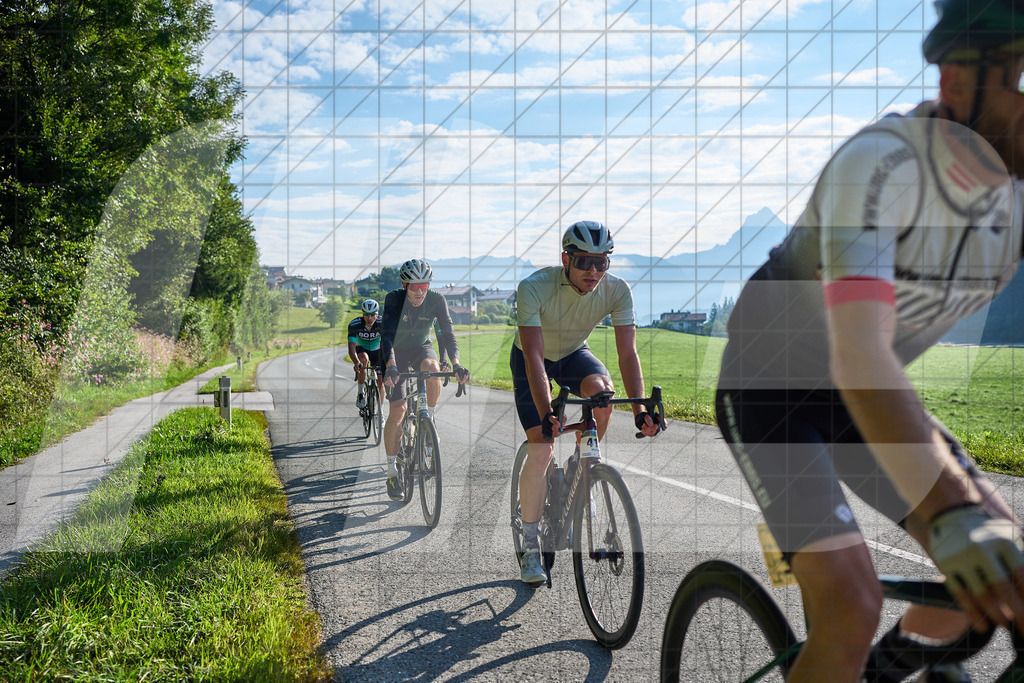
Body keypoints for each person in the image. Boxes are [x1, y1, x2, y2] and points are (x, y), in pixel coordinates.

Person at [714, 1, 1024, 679]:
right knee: (852, 604)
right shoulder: (881, 167)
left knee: (996, 580)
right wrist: (947, 510)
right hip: (774, 390)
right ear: (955, 81)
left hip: (864, 400)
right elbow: (859, 351)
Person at [512, 220, 661, 586]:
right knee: (541, 448)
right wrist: (548, 413)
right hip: (533, 361)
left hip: (575, 353)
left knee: (602, 392)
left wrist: (641, 411)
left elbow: (628, 355)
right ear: (565, 258)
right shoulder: (534, 288)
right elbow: (534, 357)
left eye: (602, 262)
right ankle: (530, 543)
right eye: (583, 262)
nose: (593, 271)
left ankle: (581, 468)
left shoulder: (617, 290)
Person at [381, 258, 469, 501]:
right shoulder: (394, 300)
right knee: (398, 410)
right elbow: (386, 337)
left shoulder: (436, 300)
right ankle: (391, 472)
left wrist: (456, 363)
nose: (420, 292)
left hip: (421, 347)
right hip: (394, 352)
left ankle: (429, 419)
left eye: (424, 286)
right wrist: (390, 367)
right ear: (404, 284)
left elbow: (448, 334)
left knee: (432, 368)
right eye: (414, 287)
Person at [347, 299, 384, 409]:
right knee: (362, 360)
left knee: (381, 380)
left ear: (377, 314)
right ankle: (361, 393)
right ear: (362, 313)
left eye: (373, 314)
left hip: (377, 351)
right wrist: (356, 362)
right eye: (366, 314)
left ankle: (380, 412)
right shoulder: (355, 324)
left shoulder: (383, 323)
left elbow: (388, 343)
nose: (369, 318)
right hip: (362, 349)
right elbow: (351, 346)